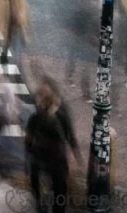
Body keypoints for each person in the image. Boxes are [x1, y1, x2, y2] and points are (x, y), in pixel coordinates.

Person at [25, 80, 79, 213]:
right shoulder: (37, 117)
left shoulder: (57, 115)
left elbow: (68, 136)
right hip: (46, 159)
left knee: (57, 193)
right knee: (50, 191)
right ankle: (42, 205)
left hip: (52, 160)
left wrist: (74, 156)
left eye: (42, 96)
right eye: (39, 96)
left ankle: (45, 206)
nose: (39, 100)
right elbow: (28, 139)